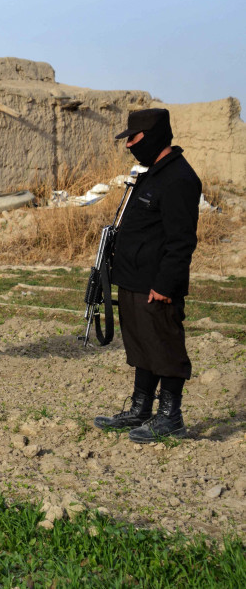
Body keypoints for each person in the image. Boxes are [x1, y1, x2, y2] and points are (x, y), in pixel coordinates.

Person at [95, 108, 201, 443]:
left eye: (134, 138)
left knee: (165, 348)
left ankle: (171, 418)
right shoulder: (151, 174)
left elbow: (181, 240)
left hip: (156, 285)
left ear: (153, 135)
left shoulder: (179, 178)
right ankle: (141, 409)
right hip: (132, 281)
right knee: (143, 346)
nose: (128, 145)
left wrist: (165, 284)